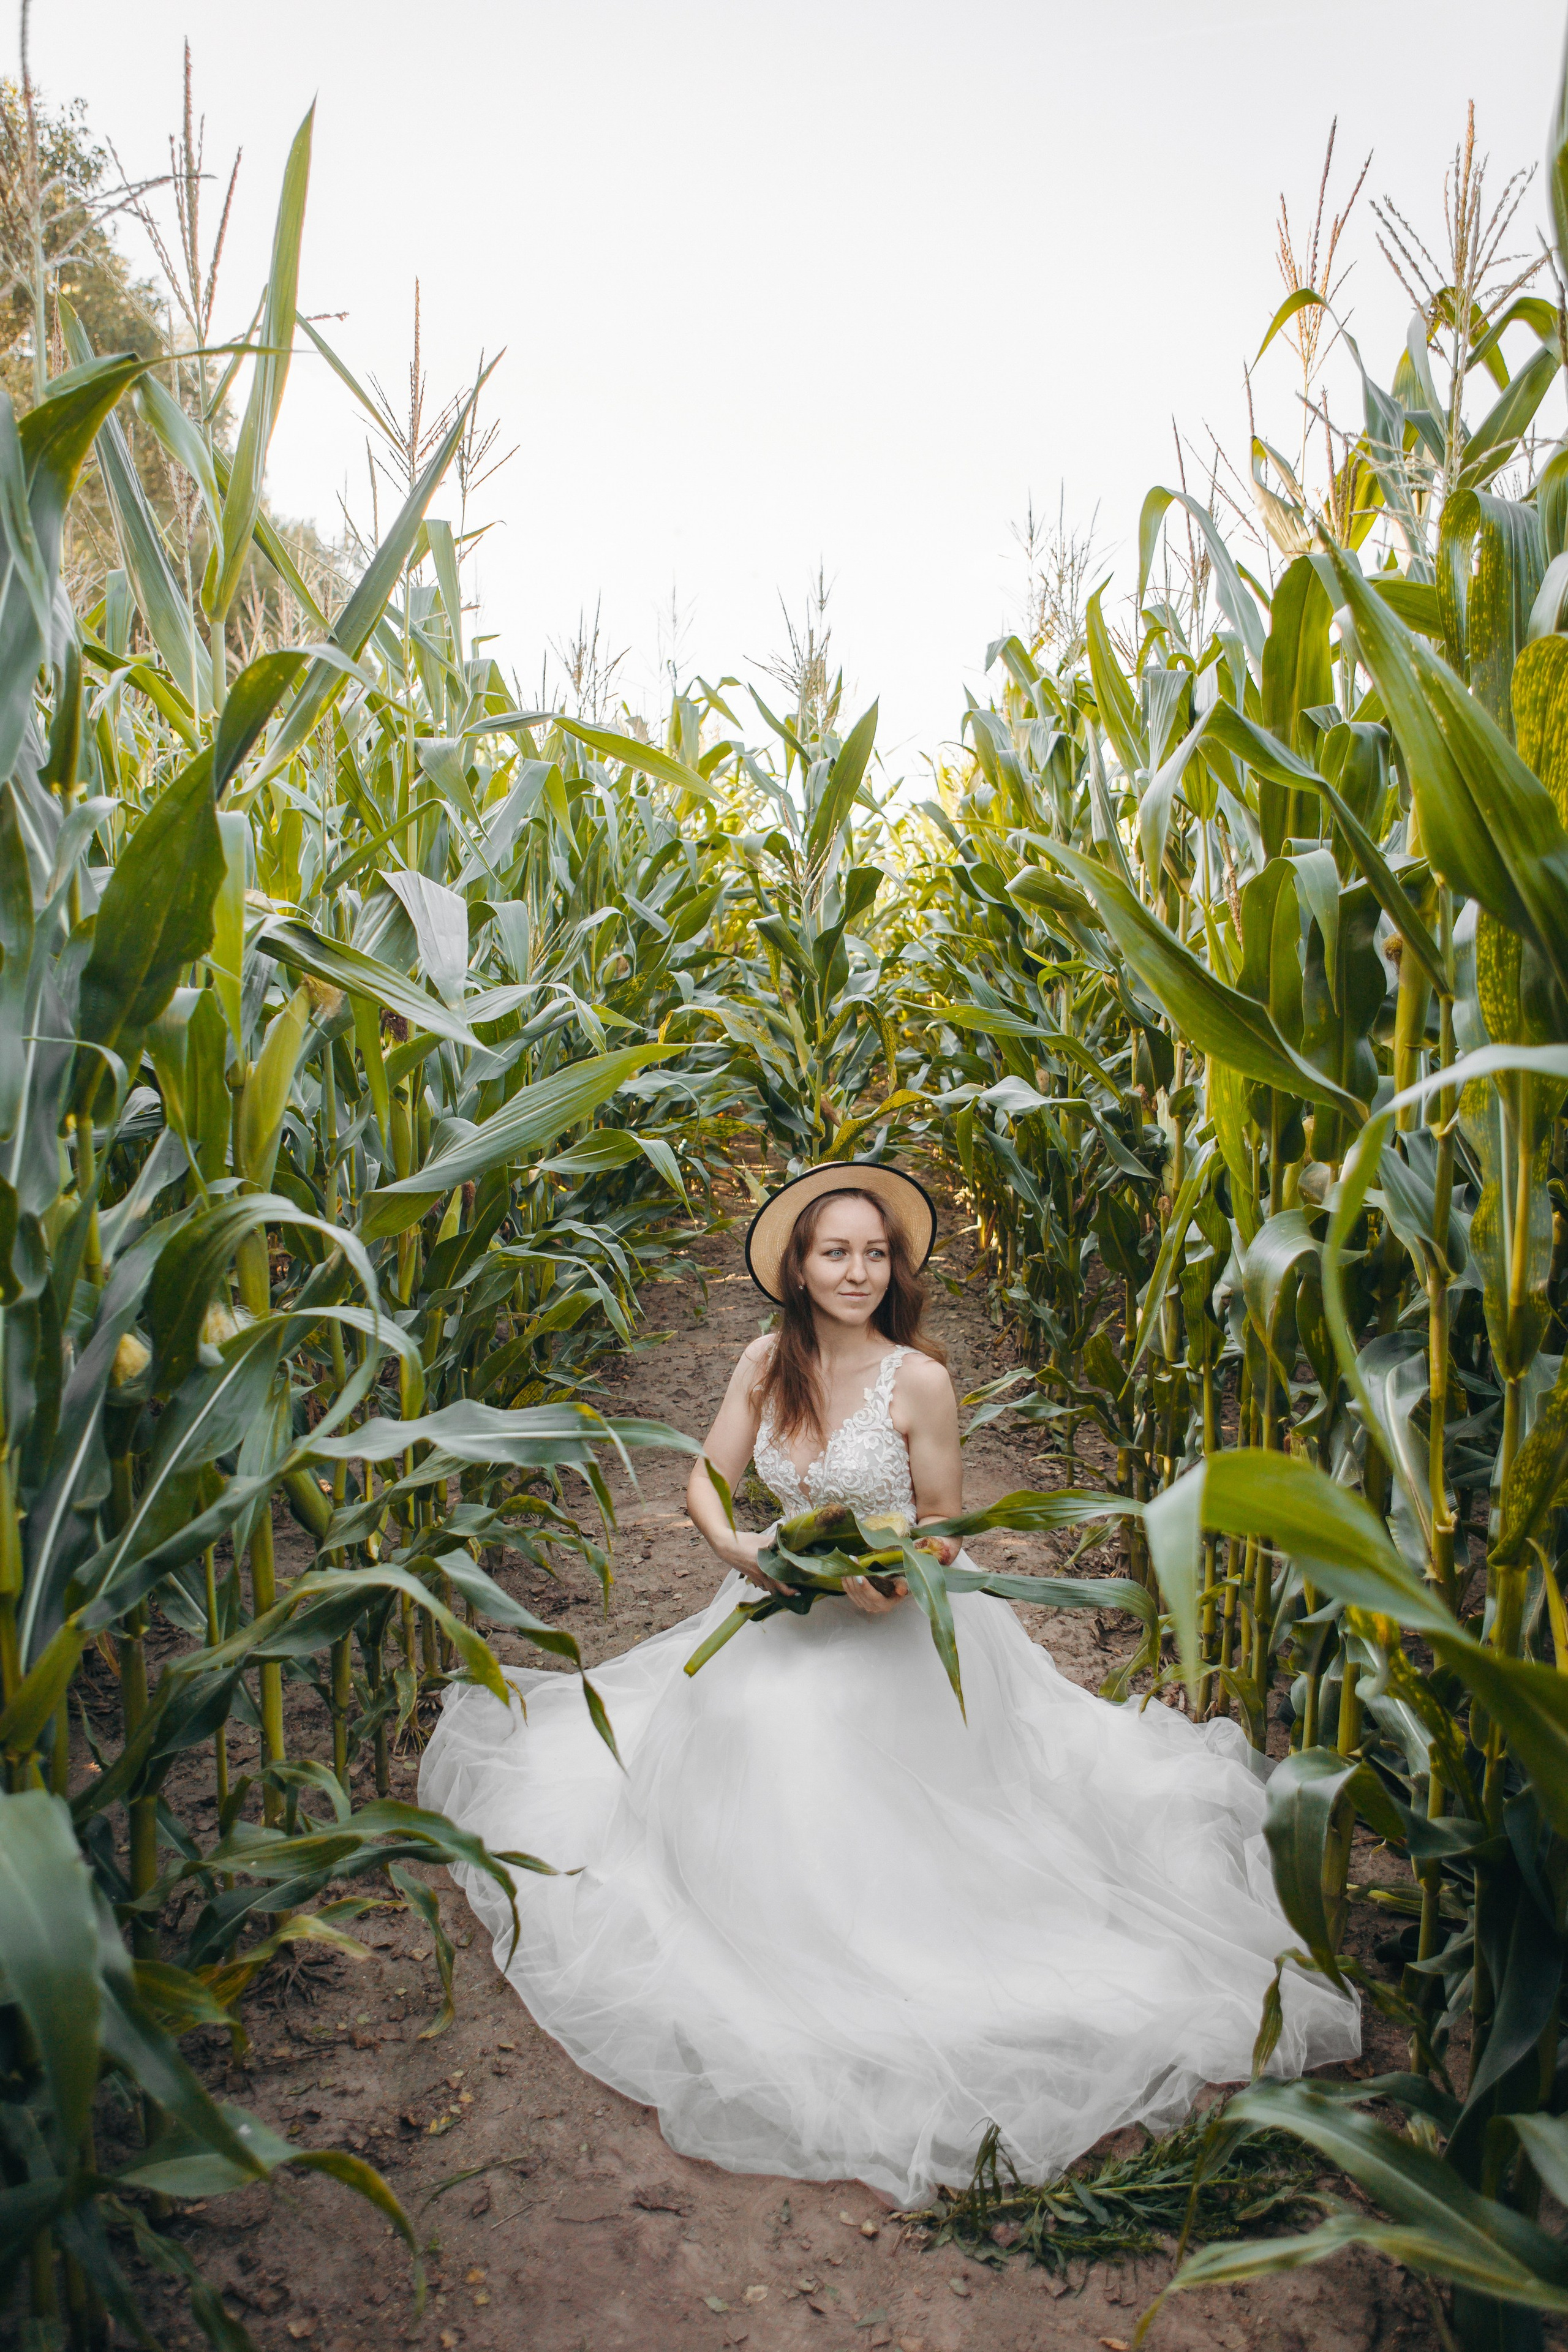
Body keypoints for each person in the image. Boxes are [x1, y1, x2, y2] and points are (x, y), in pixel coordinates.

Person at [419, 1161, 1358, 2203]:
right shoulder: (764, 1361)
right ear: (799, 1267)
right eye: (836, 1253)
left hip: (896, 1626)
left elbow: (947, 1529)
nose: (857, 1271)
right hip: (778, 1606)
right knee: (747, 1725)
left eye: (875, 1253)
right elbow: (704, 1480)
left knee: (837, 1759)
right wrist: (746, 1555)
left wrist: (892, 1579)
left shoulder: (919, 1380)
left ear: (894, 1267)